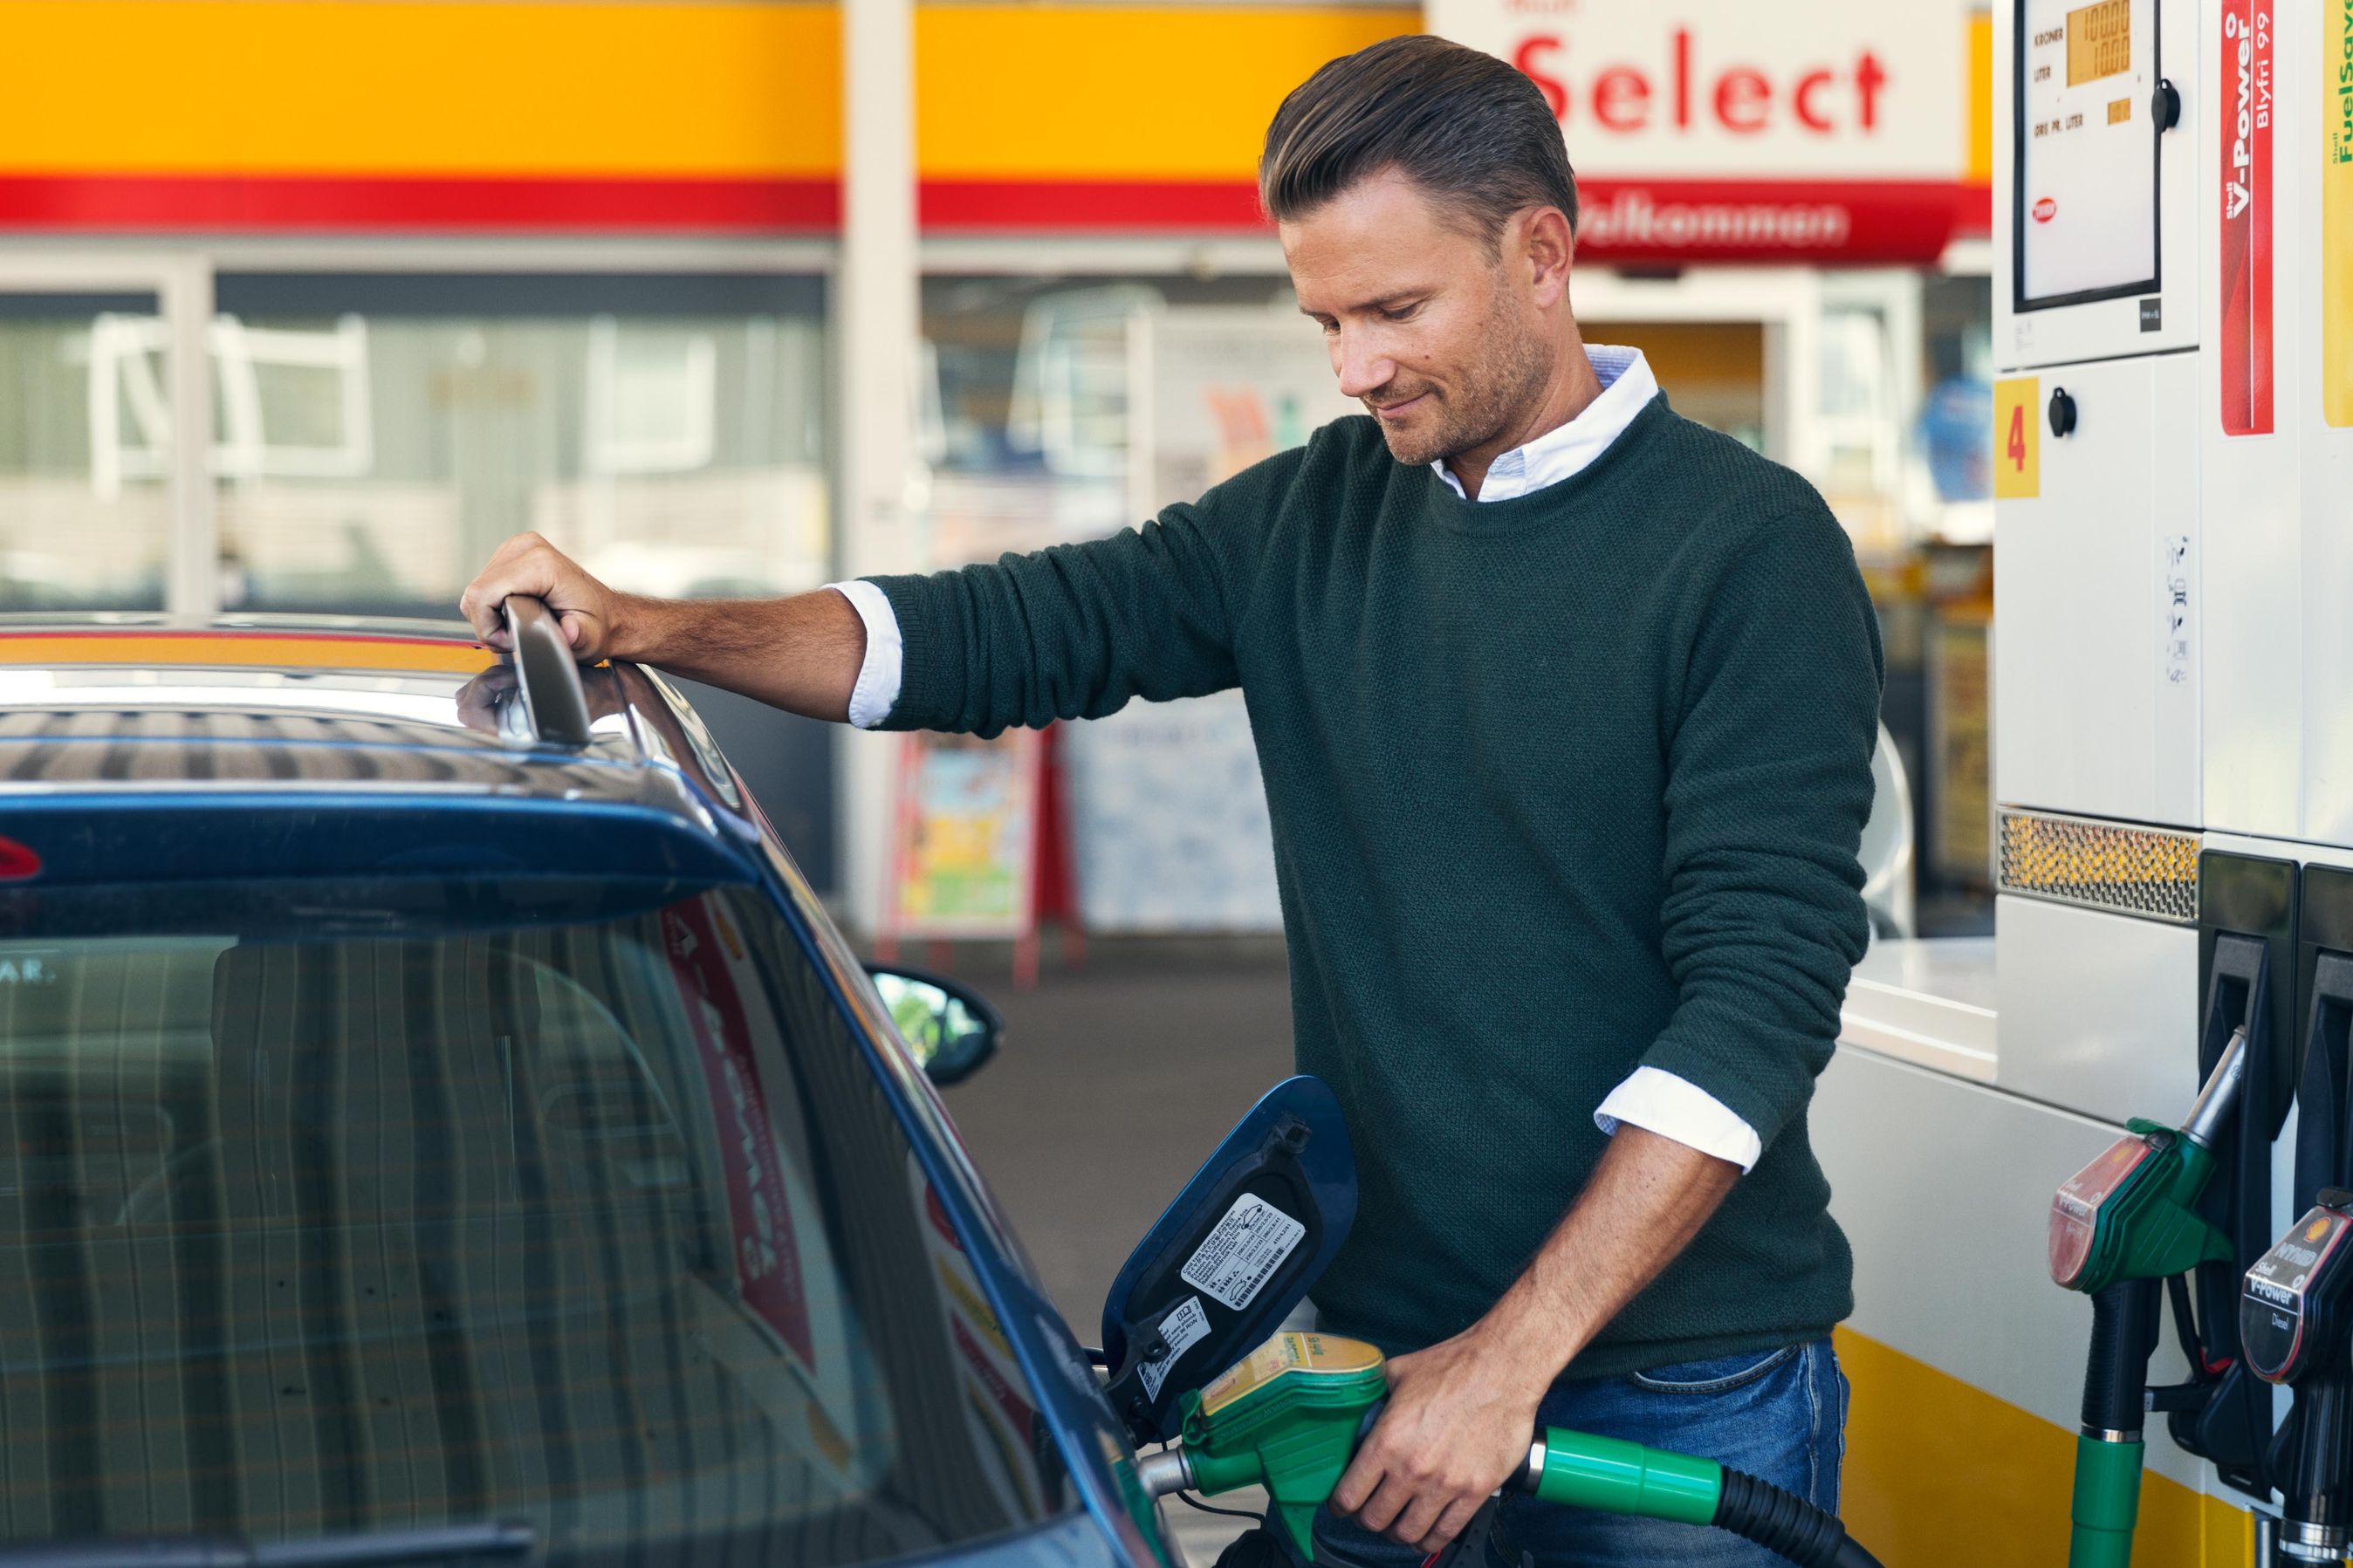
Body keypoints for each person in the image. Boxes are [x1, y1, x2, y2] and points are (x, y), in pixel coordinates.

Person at [461, 32, 1882, 1568]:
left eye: (1396, 310)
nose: (1354, 368)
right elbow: (1005, 630)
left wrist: (1513, 1355)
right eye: (1325, 319)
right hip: (1383, 1371)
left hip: (1682, 1387)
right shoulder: (1311, 518)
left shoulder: (1747, 552)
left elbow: (1759, 995)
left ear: (1543, 253)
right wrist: (663, 626)